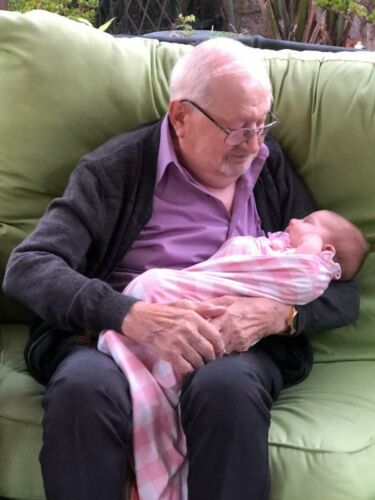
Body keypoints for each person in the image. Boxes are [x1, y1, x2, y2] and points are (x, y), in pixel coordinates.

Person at [2, 38, 360, 500]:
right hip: (117, 335)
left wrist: (280, 316)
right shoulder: (116, 169)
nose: (252, 146)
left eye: (261, 126)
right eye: (237, 130)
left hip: (233, 348)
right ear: (180, 117)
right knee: (82, 390)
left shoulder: (268, 169)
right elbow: (30, 266)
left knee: (227, 390)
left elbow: (339, 284)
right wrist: (130, 315)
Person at [97, 209, 368, 500]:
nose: (292, 220)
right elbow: (44, 265)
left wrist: (284, 314)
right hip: (121, 314)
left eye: (307, 222)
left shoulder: (269, 177)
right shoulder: (119, 173)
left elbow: (339, 293)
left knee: (224, 384)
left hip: (239, 339)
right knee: (86, 384)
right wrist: (116, 312)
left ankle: (157, 482)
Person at [122, 209, 368, 309]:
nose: (294, 220)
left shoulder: (311, 266)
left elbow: (301, 271)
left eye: (307, 222)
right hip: (197, 282)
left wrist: (311, 246)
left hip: (225, 308)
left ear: (326, 250)